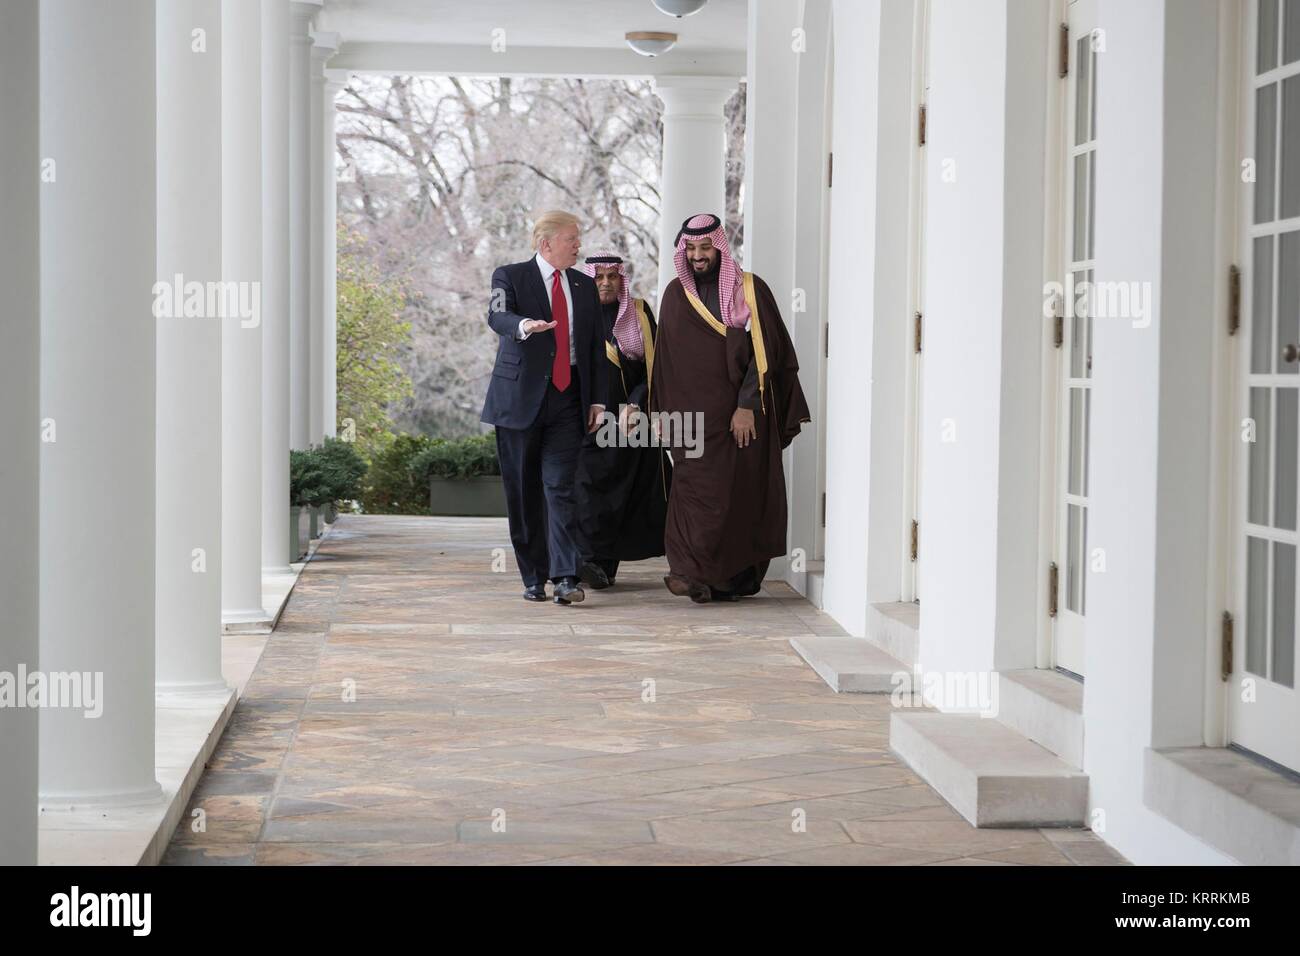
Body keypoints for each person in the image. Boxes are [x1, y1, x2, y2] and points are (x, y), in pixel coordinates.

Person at [649, 213, 811, 603]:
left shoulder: (749, 290)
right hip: (690, 421)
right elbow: (664, 362)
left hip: (737, 418)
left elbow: (765, 354)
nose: (698, 256)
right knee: (691, 492)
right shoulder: (674, 294)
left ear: (720, 248)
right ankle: (688, 572)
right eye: (691, 249)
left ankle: (726, 579)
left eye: (706, 248)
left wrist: (747, 406)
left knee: (735, 497)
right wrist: (660, 413)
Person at [480, 210, 607, 605]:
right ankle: (533, 576)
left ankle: (565, 576)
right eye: (572, 238)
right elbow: (497, 314)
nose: (578, 245)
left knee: (561, 489)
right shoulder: (509, 276)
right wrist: (523, 326)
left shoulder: (585, 286)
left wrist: (598, 400)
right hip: (519, 400)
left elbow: (595, 348)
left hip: (569, 402)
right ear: (546, 243)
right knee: (523, 491)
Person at [573, 251, 670, 589]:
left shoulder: (639, 314)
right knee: (585, 492)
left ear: (621, 279)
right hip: (585, 421)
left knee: (619, 496)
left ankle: (602, 567)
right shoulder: (575, 313)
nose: (605, 283)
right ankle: (583, 560)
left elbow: (656, 367)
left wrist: (636, 403)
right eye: (598, 277)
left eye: (612, 276)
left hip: (629, 425)